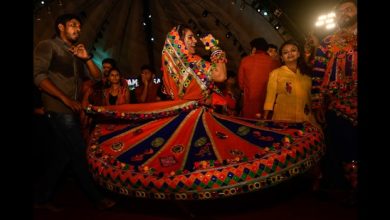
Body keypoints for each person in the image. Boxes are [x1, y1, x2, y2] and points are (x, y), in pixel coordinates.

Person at [83, 25, 324, 200]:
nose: (194, 41)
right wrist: (215, 48)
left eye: (194, 38)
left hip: (178, 114)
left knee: (180, 161)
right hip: (196, 114)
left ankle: (183, 197)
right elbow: (219, 76)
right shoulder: (193, 60)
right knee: (211, 157)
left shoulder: (169, 63)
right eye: (189, 37)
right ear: (178, 41)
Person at [33, 13, 116, 211]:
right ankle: (96, 197)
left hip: (71, 111)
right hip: (58, 109)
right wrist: (66, 99)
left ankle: (40, 198)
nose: (77, 29)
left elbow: (97, 79)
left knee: (63, 156)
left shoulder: (75, 52)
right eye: (73, 25)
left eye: (79, 26)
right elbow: (37, 76)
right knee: (80, 151)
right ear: (61, 27)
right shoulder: (48, 45)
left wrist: (86, 58)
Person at [311, 0, 357, 205]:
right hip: (337, 105)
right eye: (340, 11)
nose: (344, 13)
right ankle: (352, 186)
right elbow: (318, 73)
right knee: (344, 146)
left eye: (349, 9)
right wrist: (316, 101)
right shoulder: (327, 42)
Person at [263, 40, 317, 126]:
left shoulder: (307, 73)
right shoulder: (276, 73)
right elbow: (270, 98)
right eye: (285, 52)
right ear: (282, 57)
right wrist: (265, 119)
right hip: (283, 120)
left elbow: (312, 96)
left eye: (293, 50)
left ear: (299, 54)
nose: (290, 54)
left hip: (305, 119)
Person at [238, 37, 279, 119]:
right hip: (268, 107)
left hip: (250, 104)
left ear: (254, 49)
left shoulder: (245, 60)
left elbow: (241, 84)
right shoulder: (275, 63)